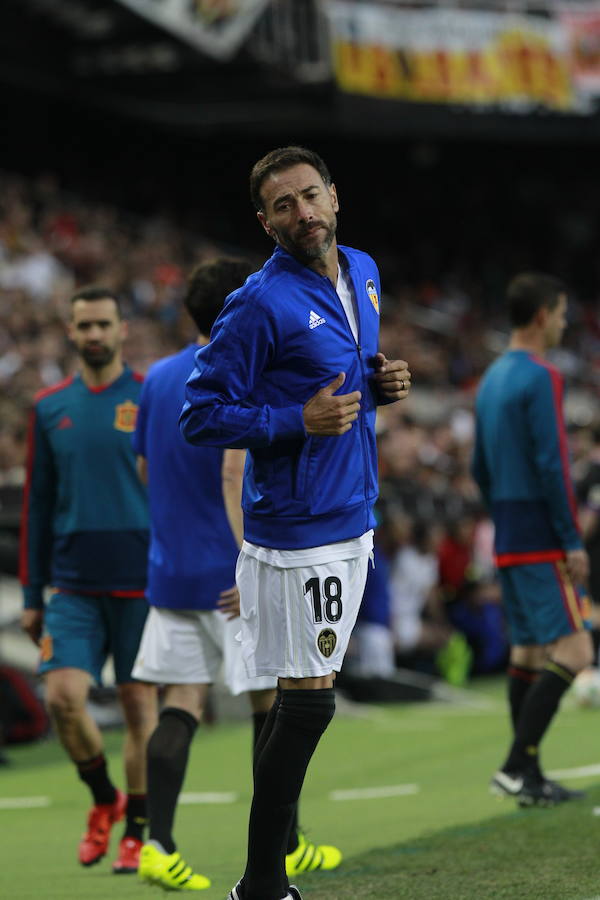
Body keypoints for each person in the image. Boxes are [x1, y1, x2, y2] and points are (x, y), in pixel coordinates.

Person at [180, 146, 410, 900]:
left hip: (353, 511)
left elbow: (345, 385)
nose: (302, 214)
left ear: (335, 197)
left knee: (305, 698)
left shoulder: (366, 272)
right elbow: (202, 414)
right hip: (299, 527)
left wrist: (381, 385)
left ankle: (264, 879)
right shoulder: (256, 302)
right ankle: (262, 881)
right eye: (284, 205)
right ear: (265, 221)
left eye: (310, 196)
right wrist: (294, 421)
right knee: (307, 701)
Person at [131, 257, 341, 893]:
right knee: (273, 706)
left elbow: (143, 470)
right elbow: (230, 474)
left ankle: (157, 844)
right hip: (231, 574)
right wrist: (247, 560)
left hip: (170, 573)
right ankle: (288, 847)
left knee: (180, 704)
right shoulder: (240, 375)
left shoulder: (156, 379)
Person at [19, 287, 158, 872]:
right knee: (63, 699)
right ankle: (105, 800)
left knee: (136, 707)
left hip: (142, 582)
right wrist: (32, 594)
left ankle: (139, 830)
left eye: (104, 323)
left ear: (123, 328)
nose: (95, 334)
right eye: (85, 326)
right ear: (71, 332)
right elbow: (37, 505)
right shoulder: (49, 407)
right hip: (72, 585)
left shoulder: (151, 395)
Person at [471, 271, 593, 807]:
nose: (564, 323)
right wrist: (571, 538)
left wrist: (502, 513)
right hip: (543, 534)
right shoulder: (541, 376)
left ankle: (531, 777)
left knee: (527, 650)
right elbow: (553, 464)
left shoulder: (492, 377)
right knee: (576, 646)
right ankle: (517, 763)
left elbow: (479, 467)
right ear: (542, 315)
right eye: (562, 313)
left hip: (507, 530)